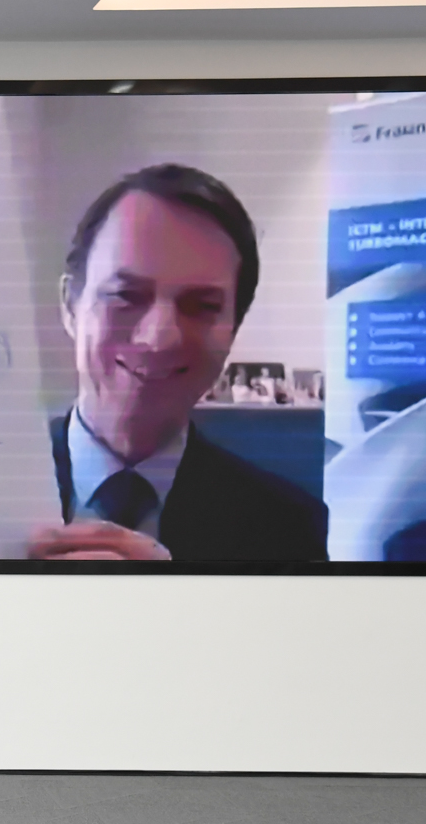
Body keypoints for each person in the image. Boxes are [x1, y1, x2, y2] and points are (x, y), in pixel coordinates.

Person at [30, 163, 327, 562]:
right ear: (71, 305)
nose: (159, 338)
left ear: (234, 327)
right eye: (126, 295)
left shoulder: (289, 531)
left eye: (201, 306)